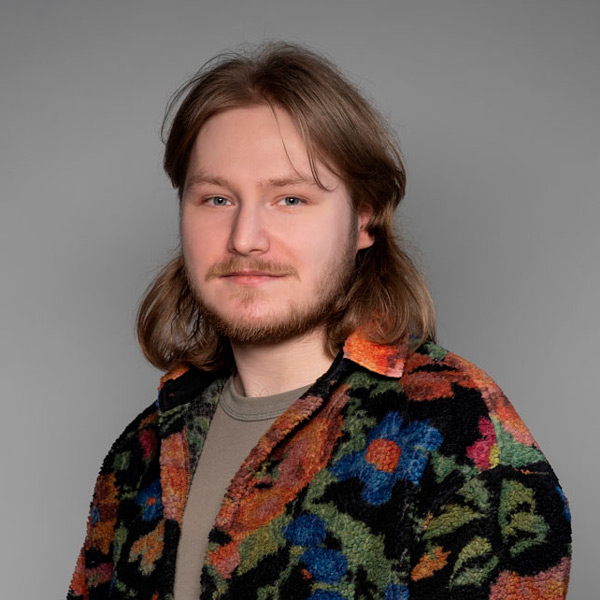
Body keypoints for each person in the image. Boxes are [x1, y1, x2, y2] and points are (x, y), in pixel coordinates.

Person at [68, 42, 571, 600]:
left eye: (290, 199)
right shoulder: (140, 452)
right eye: (216, 199)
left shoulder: (457, 430)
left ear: (364, 219)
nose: (245, 239)